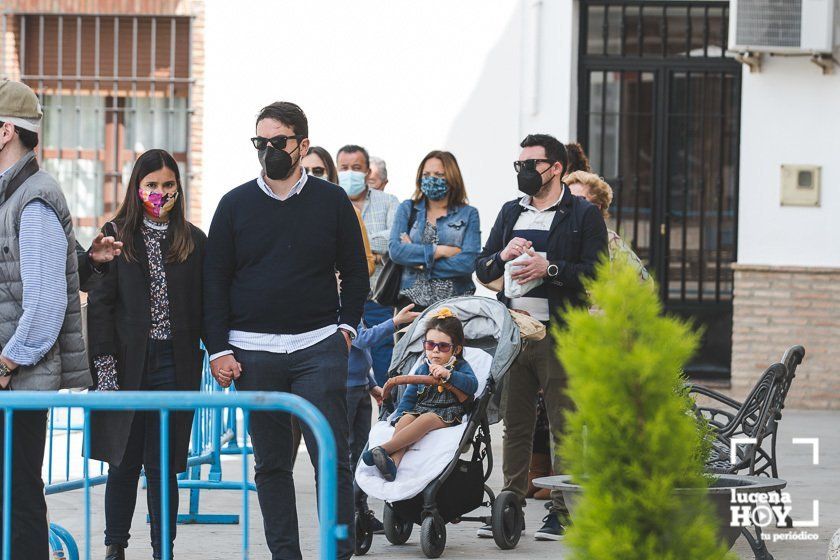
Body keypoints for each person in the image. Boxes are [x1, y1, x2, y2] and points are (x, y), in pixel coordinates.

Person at [204, 102, 368, 560]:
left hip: (318, 346)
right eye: (261, 143)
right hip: (253, 353)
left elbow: (356, 271)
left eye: (279, 142)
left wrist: (345, 330)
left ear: (303, 145)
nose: (269, 150)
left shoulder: (331, 200)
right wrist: (218, 349)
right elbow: (214, 279)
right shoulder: (234, 204)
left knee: (330, 457)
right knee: (271, 464)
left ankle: (336, 552)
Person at [474, 133, 607, 541]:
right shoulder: (510, 211)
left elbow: (596, 271)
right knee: (515, 424)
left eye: (532, 164)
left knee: (563, 424)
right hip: (514, 334)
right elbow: (483, 268)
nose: (524, 171)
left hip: (559, 333)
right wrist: (503, 256)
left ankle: (562, 509)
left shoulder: (581, 214)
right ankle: (509, 504)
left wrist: (549, 268)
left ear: (556, 168)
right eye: (520, 165)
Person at [86, 149, 206, 560]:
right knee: (121, 462)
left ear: (179, 188)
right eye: (152, 185)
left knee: (162, 467)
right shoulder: (115, 235)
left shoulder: (194, 240)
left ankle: (162, 550)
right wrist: (104, 372)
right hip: (124, 364)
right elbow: (99, 307)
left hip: (176, 365)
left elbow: (208, 307)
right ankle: (115, 546)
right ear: (137, 189)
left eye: (168, 185)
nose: (160, 193)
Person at [0, 79, 91, 559]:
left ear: (5, 131)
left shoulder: (33, 198)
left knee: (17, 501)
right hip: (11, 380)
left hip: (16, 383)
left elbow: (47, 304)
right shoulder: (11, 193)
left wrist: (5, 365)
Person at [363, 307, 477, 481]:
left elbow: (472, 385)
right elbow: (410, 396)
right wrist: (399, 415)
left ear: (456, 350)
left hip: (447, 413)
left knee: (427, 419)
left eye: (443, 346)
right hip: (421, 408)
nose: (435, 350)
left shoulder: (459, 367)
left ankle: (383, 448)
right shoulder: (424, 367)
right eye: (430, 345)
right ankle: (393, 462)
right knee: (406, 419)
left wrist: (449, 375)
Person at [348, 303, 419, 527]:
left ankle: (359, 508)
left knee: (359, 452)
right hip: (344, 390)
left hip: (359, 387)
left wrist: (370, 384)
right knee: (346, 452)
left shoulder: (348, 302)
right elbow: (360, 339)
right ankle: (347, 513)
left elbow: (359, 354)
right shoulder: (334, 305)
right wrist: (395, 323)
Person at [336, 144, 399, 386]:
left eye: (356, 168)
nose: (350, 172)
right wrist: (369, 247)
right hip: (338, 302)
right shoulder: (330, 200)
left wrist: (351, 242)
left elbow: (395, 241)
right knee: (346, 367)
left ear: (366, 171)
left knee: (384, 359)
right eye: (344, 168)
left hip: (377, 297)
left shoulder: (388, 201)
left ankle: (387, 409)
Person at [388, 150, 480, 312]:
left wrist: (420, 264)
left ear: (452, 177)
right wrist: (440, 250)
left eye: (438, 174)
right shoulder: (408, 209)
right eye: (426, 174)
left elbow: (468, 263)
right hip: (411, 304)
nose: (431, 179)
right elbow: (396, 251)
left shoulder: (468, 213)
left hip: (456, 304)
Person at [565, 170, 649, 282]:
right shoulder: (558, 232)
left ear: (596, 207)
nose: (571, 205)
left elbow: (646, 283)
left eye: (580, 200)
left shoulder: (610, 239)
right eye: (568, 200)